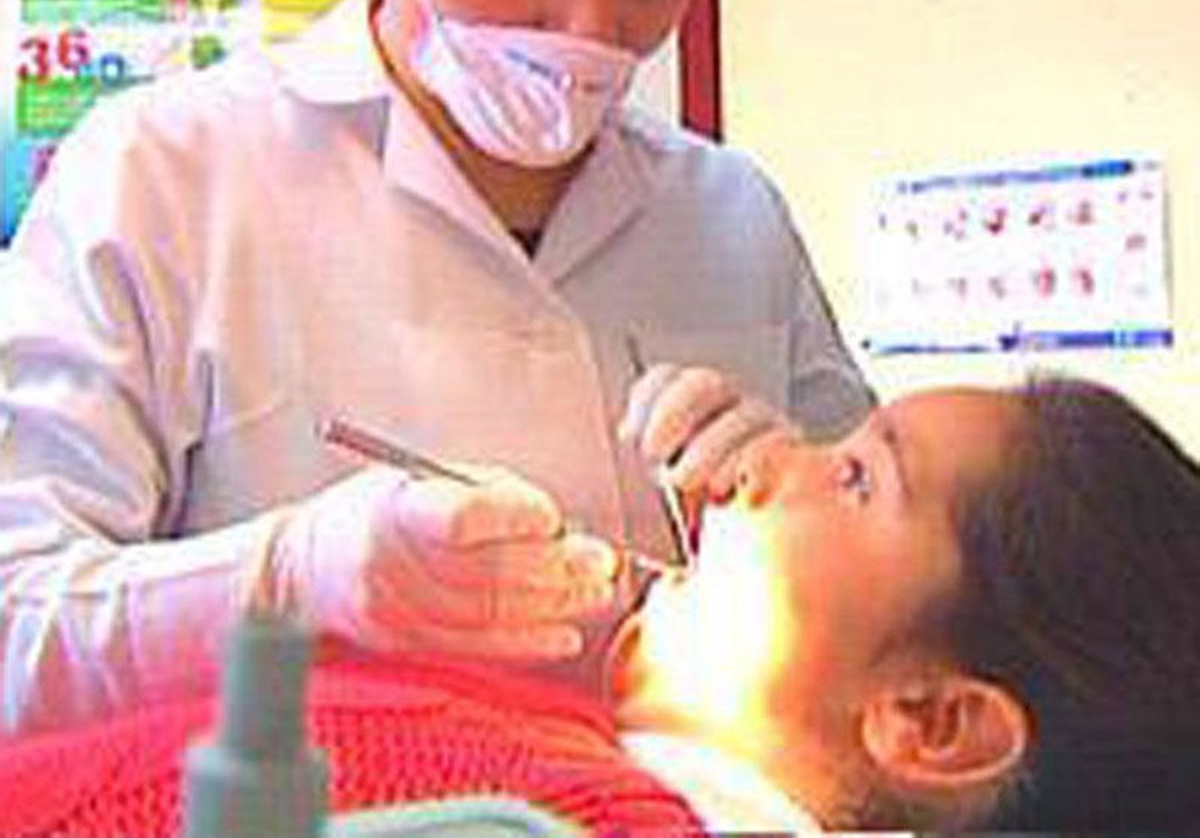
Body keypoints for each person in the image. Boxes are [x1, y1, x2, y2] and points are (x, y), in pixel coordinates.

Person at [0, 0, 872, 733]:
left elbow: (917, 636)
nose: (590, 29)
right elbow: (14, 632)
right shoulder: (164, 178)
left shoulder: (731, 216)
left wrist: (801, 517)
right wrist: (288, 581)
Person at [0, 374, 1196, 836]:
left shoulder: (558, 816)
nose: (758, 466)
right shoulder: (574, 764)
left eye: (852, 476)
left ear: (930, 723)